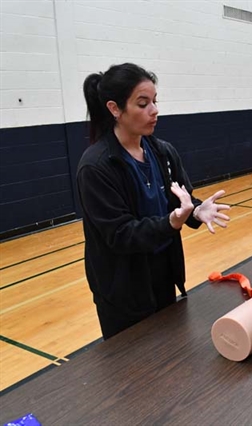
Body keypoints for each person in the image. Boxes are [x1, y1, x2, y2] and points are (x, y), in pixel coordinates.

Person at [77, 63, 231, 339]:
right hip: (122, 287)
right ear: (115, 109)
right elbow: (120, 234)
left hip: (161, 274)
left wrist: (196, 211)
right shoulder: (96, 167)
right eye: (143, 103)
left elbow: (180, 202)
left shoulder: (163, 152)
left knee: (167, 356)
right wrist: (171, 223)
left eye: (155, 101)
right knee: (132, 369)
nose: (154, 110)